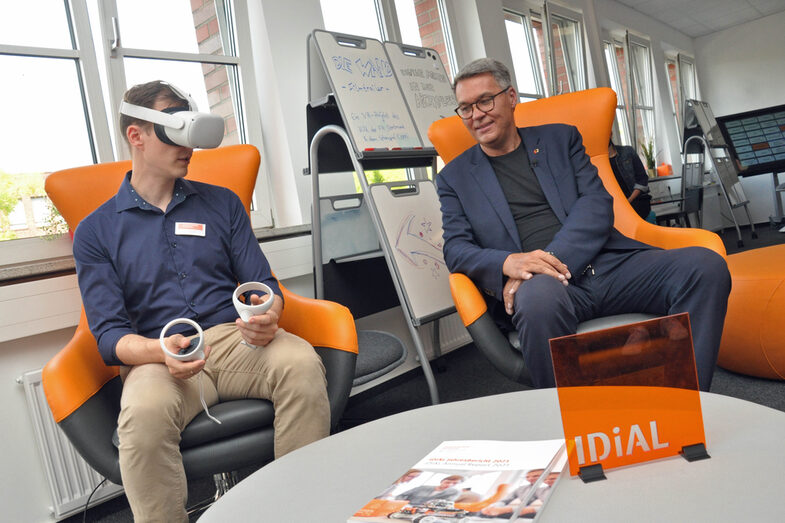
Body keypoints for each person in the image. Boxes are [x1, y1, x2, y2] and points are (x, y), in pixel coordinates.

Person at [72, 80, 330, 522]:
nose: (189, 146)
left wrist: (268, 314)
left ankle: (299, 510)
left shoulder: (223, 205)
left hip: (235, 341)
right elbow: (110, 337)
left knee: (301, 362)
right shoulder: (96, 232)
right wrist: (159, 351)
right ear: (137, 135)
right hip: (157, 354)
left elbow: (263, 285)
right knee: (143, 416)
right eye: (175, 125)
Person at [436, 58, 731, 391]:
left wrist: (548, 263)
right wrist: (510, 263)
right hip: (542, 289)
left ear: (511, 97)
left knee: (705, 267)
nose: (476, 115)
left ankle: (682, 406)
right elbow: (456, 248)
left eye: (485, 100)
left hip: (611, 264)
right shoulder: (454, 178)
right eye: (465, 108)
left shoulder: (561, 140)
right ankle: (576, 428)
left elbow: (596, 205)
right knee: (536, 304)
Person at [608, 139, 652, 219]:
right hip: (617, 212)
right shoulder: (596, 163)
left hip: (638, 204)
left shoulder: (627, 152)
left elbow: (642, 179)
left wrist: (629, 201)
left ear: (611, 133)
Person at [480, 469, 546, 518]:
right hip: (512, 509)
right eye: (528, 477)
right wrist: (494, 506)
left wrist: (507, 509)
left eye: (535, 476)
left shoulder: (547, 489)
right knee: (482, 512)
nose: (530, 478)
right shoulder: (521, 488)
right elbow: (505, 500)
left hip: (532, 511)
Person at [396, 474, 465, 505]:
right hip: (406, 507)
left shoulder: (453, 493)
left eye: (454, 484)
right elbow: (401, 495)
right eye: (447, 482)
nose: (449, 485)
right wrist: (403, 504)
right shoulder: (423, 487)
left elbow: (447, 503)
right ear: (442, 481)